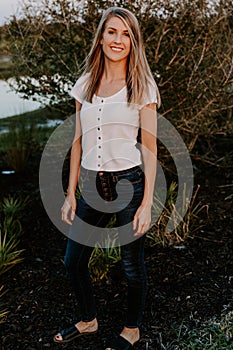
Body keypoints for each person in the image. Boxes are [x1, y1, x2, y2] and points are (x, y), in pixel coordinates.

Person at [53, 6, 160, 350]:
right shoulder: (84, 84)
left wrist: (146, 204)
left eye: (126, 34)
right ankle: (88, 321)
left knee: (131, 265)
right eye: (112, 32)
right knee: (73, 261)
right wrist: (70, 193)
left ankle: (132, 328)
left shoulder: (141, 85)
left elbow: (150, 148)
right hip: (91, 184)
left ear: (134, 42)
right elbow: (77, 140)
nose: (118, 40)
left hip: (128, 184)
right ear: (101, 36)